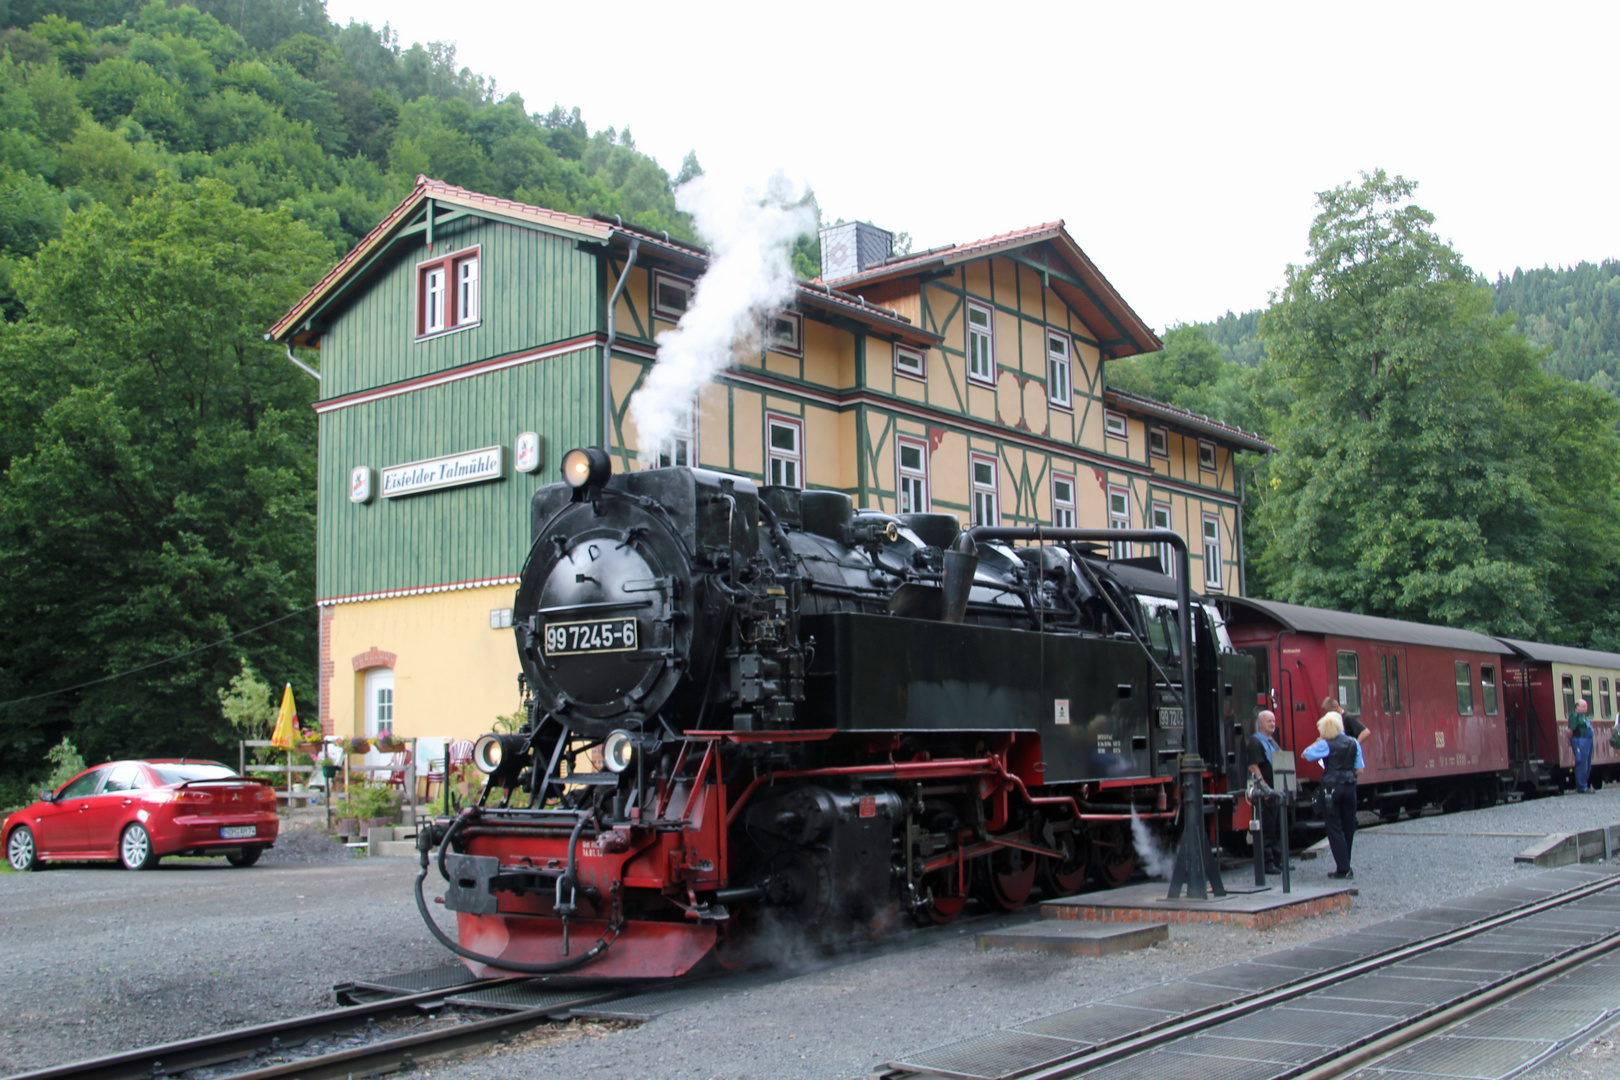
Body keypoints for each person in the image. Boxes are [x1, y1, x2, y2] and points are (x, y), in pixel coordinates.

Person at [1304, 711, 1363, 880]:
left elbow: (1306, 754)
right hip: (1350, 787)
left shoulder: (1325, 745)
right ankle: (1346, 864)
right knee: (1348, 827)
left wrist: (1319, 741)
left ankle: (1343, 868)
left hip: (1331, 789)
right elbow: (1360, 769)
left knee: (1334, 827)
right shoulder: (1353, 743)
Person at [1245, 709, 1285, 873]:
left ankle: (1277, 860)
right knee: (1267, 829)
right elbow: (1254, 766)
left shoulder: (1272, 743)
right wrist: (1265, 788)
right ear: (1260, 724)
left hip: (1277, 790)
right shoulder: (1256, 743)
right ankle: (1267, 863)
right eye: (1269, 721)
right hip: (1266, 792)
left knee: (1276, 828)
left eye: (1274, 721)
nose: (1272, 724)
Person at [1570, 698, 1594, 794]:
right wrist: (1571, 741)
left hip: (1588, 742)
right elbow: (1570, 730)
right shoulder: (1575, 717)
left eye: (1586, 706)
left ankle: (1585, 784)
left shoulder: (1584, 716)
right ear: (1577, 707)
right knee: (1581, 764)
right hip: (1580, 742)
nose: (1586, 708)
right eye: (1583, 706)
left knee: (1587, 764)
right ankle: (1581, 787)